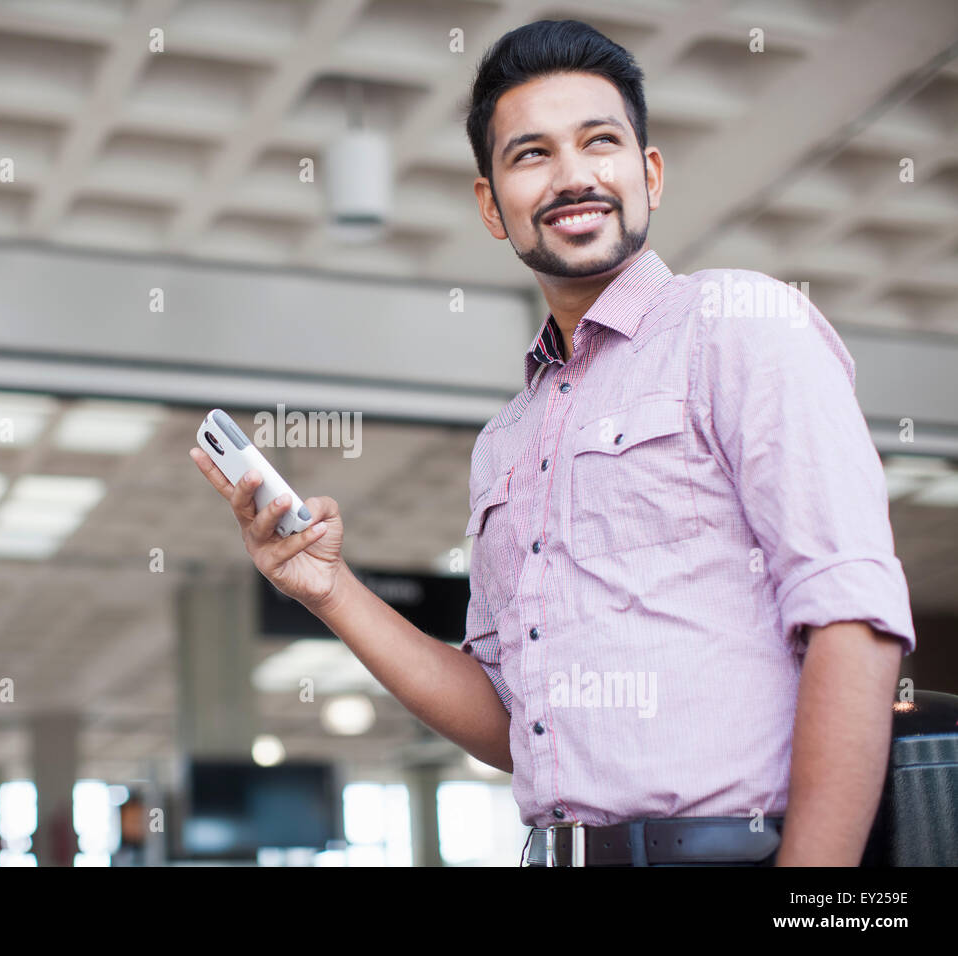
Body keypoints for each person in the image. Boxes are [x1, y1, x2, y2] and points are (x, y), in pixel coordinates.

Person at [189, 19, 914, 867]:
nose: (573, 175)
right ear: (492, 206)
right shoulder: (506, 442)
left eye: (600, 142)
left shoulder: (738, 327)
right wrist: (328, 588)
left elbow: (852, 612)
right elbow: (510, 724)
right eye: (531, 154)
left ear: (649, 174)